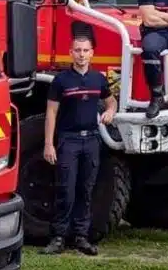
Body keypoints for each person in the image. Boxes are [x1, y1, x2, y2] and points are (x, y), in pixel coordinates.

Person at [41, 33, 117, 256]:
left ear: (92, 53)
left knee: (86, 189)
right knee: (66, 189)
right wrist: (48, 144)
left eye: (85, 50)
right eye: (77, 50)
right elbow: (51, 113)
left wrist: (110, 112)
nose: (81, 55)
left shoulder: (98, 79)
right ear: (70, 53)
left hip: (92, 140)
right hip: (69, 140)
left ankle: (81, 237)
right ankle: (58, 237)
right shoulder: (61, 81)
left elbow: (110, 101)